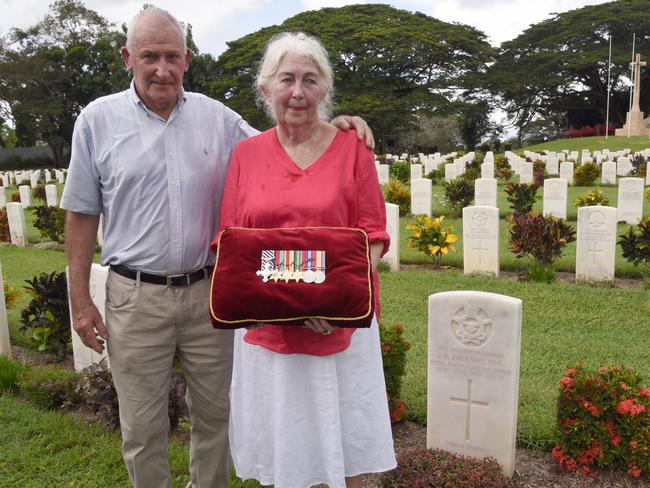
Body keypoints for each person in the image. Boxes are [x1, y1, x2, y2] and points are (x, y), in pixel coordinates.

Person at [60, 7, 372, 488]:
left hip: (208, 296)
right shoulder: (96, 121)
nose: (162, 68)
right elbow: (81, 214)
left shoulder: (219, 120)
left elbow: (290, 136)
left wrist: (341, 122)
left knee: (216, 419)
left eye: (172, 56)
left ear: (187, 59)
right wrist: (80, 302)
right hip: (135, 297)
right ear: (127, 58)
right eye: (149, 56)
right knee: (143, 427)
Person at [218, 32, 397, 488]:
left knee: (347, 436)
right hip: (267, 325)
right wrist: (291, 301)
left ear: (325, 89)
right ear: (266, 89)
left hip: (339, 324)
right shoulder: (246, 155)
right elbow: (231, 240)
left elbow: (372, 236)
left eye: (310, 80)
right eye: (287, 80)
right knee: (285, 440)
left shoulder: (352, 149)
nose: (298, 92)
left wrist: (327, 302)